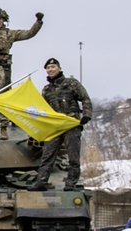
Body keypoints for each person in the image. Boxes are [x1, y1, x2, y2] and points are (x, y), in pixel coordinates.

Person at [32, 57, 93, 191]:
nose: (50, 69)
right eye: (48, 68)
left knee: (73, 157)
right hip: (55, 127)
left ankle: (71, 183)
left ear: (59, 69)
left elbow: (85, 99)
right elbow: (44, 109)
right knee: (47, 156)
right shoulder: (46, 89)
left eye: (53, 67)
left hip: (71, 124)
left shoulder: (71, 83)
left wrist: (86, 115)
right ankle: (41, 182)